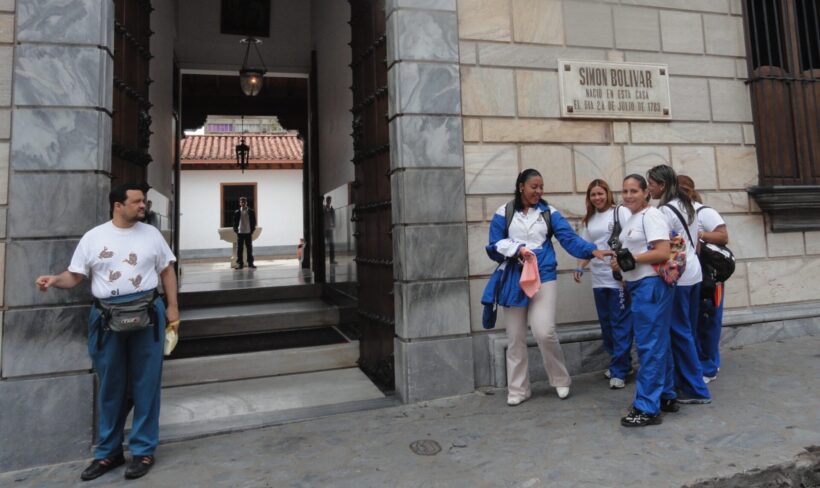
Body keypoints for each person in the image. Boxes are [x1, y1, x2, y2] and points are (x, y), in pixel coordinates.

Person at [35, 183, 179, 480]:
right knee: (111, 385)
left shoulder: (152, 235)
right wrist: (54, 280)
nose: (143, 205)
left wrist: (173, 307)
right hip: (106, 317)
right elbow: (75, 275)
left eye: (144, 201)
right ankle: (108, 453)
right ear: (118, 205)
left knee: (146, 384)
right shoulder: (94, 237)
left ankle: (143, 450)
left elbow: (166, 270)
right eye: (137, 201)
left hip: (148, 314)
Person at [483, 169, 611, 405]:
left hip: (543, 275)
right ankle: (518, 389)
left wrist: (592, 250)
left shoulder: (549, 213)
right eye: (534, 186)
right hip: (513, 277)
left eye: (541, 187)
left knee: (544, 331)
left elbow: (569, 239)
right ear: (521, 186)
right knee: (515, 336)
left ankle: (560, 379)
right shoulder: (504, 212)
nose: (539, 191)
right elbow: (494, 244)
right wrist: (517, 249)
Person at [610, 174, 678, 427]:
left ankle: (647, 407)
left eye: (634, 191)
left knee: (650, 346)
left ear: (646, 192)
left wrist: (629, 259)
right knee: (658, 342)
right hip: (640, 286)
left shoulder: (651, 216)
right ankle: (666, 395)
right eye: (625, 191)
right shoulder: (634, 217)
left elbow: (662, 251)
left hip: (651, 286)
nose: (628, 196)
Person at [646, 165, 711, 404]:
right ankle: (686, 382)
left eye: (651, 184)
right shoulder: (686, 204)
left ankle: (695, 389)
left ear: (662, 185)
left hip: (679, 277)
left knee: (679, 332)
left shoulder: (663, 210)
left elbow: (662, 247)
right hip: (694, 272)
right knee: (687, 331)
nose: (649, 188)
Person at [573, 179, 633, 389]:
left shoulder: (620, 212)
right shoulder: (589, 219)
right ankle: (620, 363)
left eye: (600, 193)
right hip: (598, 280)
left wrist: (627, 272)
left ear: (607, 193)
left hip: (618, 279)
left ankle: (620, 370)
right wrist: (580, 267)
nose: (597, 198)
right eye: (593, 195)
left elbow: (632, 239)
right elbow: (588, 248)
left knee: (620, 325)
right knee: (607, 325)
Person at [678, 175, 730, 384]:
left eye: (683, 189)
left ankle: (709, 367)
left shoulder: (703, 212)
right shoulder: (674, 212)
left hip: (709, 276)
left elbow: (723, 236)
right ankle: (699, 363)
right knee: (694, 320)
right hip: (689, 276)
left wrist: (699, 234)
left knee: (709, 320)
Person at [232, 196, 256, 269]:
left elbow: (254, 222)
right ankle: (240, 264)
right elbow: (234, 222)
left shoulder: (251, 211)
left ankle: (250, 263)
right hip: (240, 233)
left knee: (249, 248)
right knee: (239, 249)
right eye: (241, 202)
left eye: (244, 202)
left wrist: (252, 230)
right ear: (239, 203)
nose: (243, 203)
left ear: (246, 202)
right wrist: (236, 230)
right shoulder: (237, 212)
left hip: (248, 232)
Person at [324, 195, 337, 264]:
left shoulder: (332, 209)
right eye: (328, 200)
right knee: (323, 245)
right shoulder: (324, 208)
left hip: (329, 229)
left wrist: (333, 225)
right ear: (326, 201)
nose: (329, 201)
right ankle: (322, 259)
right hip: (324, 229)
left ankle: (332, 260)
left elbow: (333, 218)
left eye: (330, 200)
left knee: (332, 245)